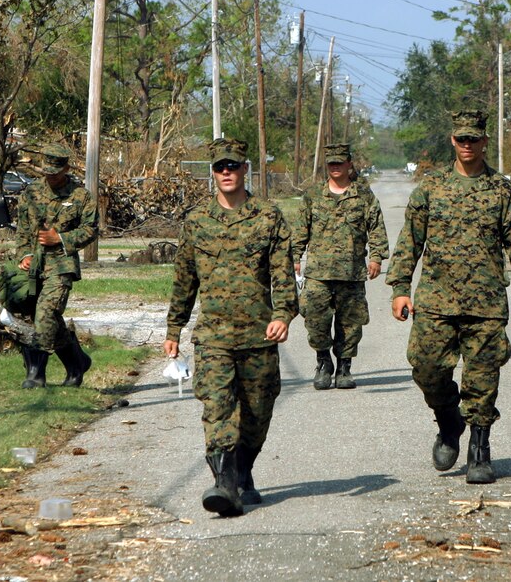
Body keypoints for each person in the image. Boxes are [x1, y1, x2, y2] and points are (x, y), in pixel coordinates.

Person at [387, 110, 511, 485]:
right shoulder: (431, 188)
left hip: (485, 304)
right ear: (453, 141)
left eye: (474, 139)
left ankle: (479, 451)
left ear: (485, 141)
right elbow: (410, 241)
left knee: (482, 378)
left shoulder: (501, 190)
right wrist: (400, 288)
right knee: (426, 368)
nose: (468, 145)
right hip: (436, 301)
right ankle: (448, 422)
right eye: (461, 139)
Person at [164, 138, 298, 517]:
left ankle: (243, 469)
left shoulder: (268, 217)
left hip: (259, 334)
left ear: (244, 169)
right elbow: (184, 280)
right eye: (220, 167)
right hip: (213, 337)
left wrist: (282, 314)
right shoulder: (196, 221)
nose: (226, 173)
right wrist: (174, 329)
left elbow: (282, 274)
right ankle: (224, 484)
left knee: (257, 414)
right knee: (218, 409)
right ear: (213, 172)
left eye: (233, 166)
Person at [292, 143, 388, 390]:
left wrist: (376, 257)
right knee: (315, 320)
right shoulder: (313, 196)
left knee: (351, 324)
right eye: (331, 163)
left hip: (352, 274)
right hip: (318, 274)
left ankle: (344, 367)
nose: (335, 167)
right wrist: (293, 257)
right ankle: (324, 362)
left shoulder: (363, 196)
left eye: (339, 163)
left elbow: (376, 227)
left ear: (349, 164)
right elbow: (301, 230)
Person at [14, 142, 98, 390]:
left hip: (62, 265)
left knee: (46, 312)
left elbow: (91, 230)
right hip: (35, 264)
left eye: (55, 172)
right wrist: (24, 255)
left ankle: (36, 372)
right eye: (47, 172)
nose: (50, 176)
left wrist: (60, 238)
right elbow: (23, 229)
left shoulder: (80, 196)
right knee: (47, 317)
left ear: (66, 169)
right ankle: (77, 362)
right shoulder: (31, 193)